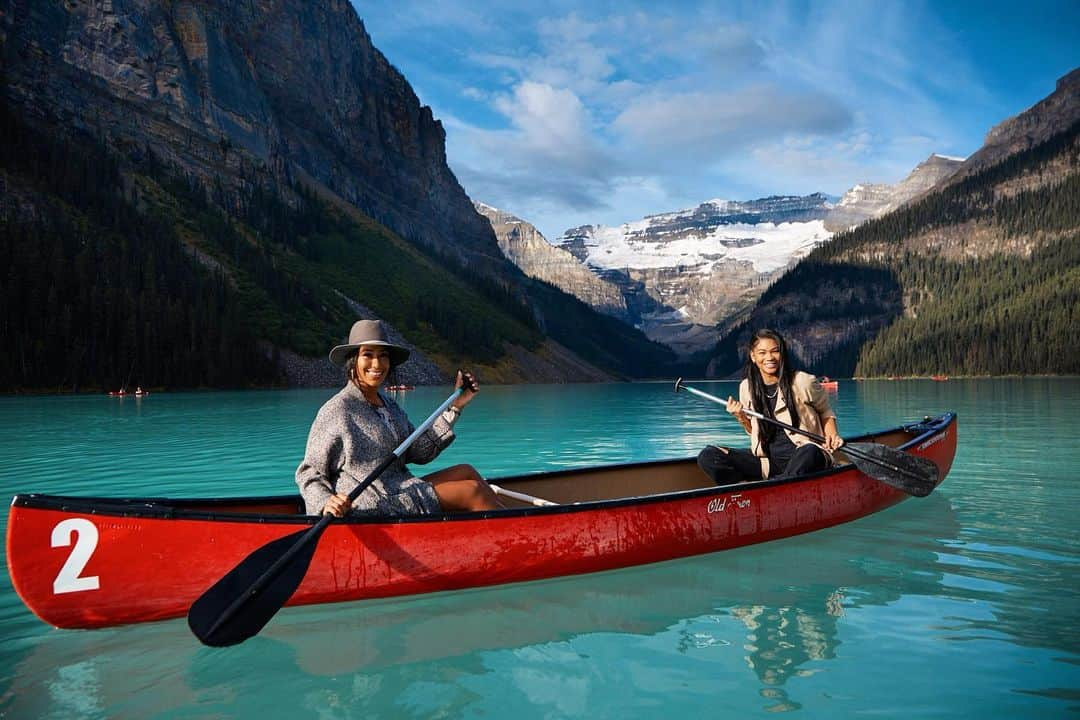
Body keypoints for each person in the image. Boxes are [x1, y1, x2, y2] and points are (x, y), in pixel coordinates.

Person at [295, 319, 501, 517]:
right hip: (370, 501)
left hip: (399, 489)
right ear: (353, 360)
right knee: (471, 492)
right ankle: (514, 538)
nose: (377, 363)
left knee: (465, 471)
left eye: (383, 355)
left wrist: (455, 407)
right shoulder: (338, 410)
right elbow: (309, 471)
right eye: (368, 354)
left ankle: (513, 521)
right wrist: (325, 501)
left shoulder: (389, 405)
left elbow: (418, 452)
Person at [697, 328, 843, 485]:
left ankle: (769, 487)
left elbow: (825, 410)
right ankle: (745, 488)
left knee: (809, 451)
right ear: (753, 356)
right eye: (762, 353)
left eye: (775, 351)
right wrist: (740, 417)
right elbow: (755, 431)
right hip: (769, 463)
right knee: (708, 455)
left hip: (807, 457)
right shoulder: (746, 387)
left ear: (782, 354)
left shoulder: (802, 381)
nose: (769, 357)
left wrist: (832, 435)